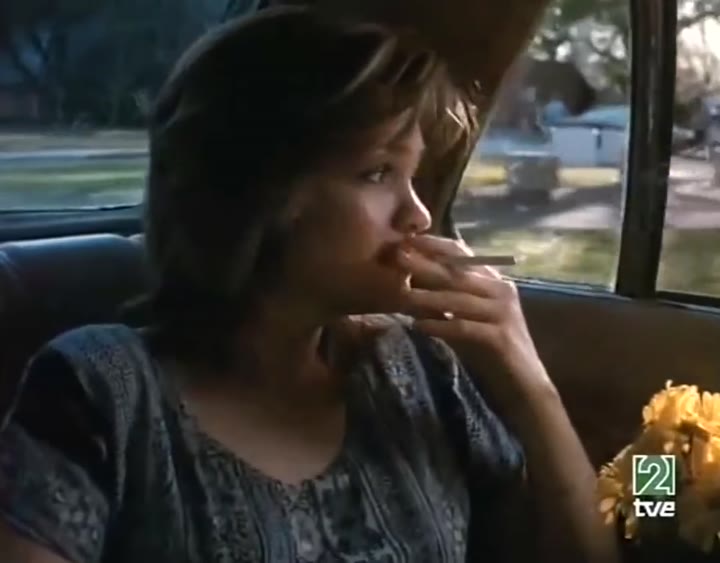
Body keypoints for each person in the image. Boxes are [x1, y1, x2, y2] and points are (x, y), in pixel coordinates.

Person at [0, 7, 618, 563]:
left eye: (413, 176)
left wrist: (529, 386)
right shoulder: (100, 391)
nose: (419, 215)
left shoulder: (421, 368)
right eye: (378, 172)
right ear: (257, 193)